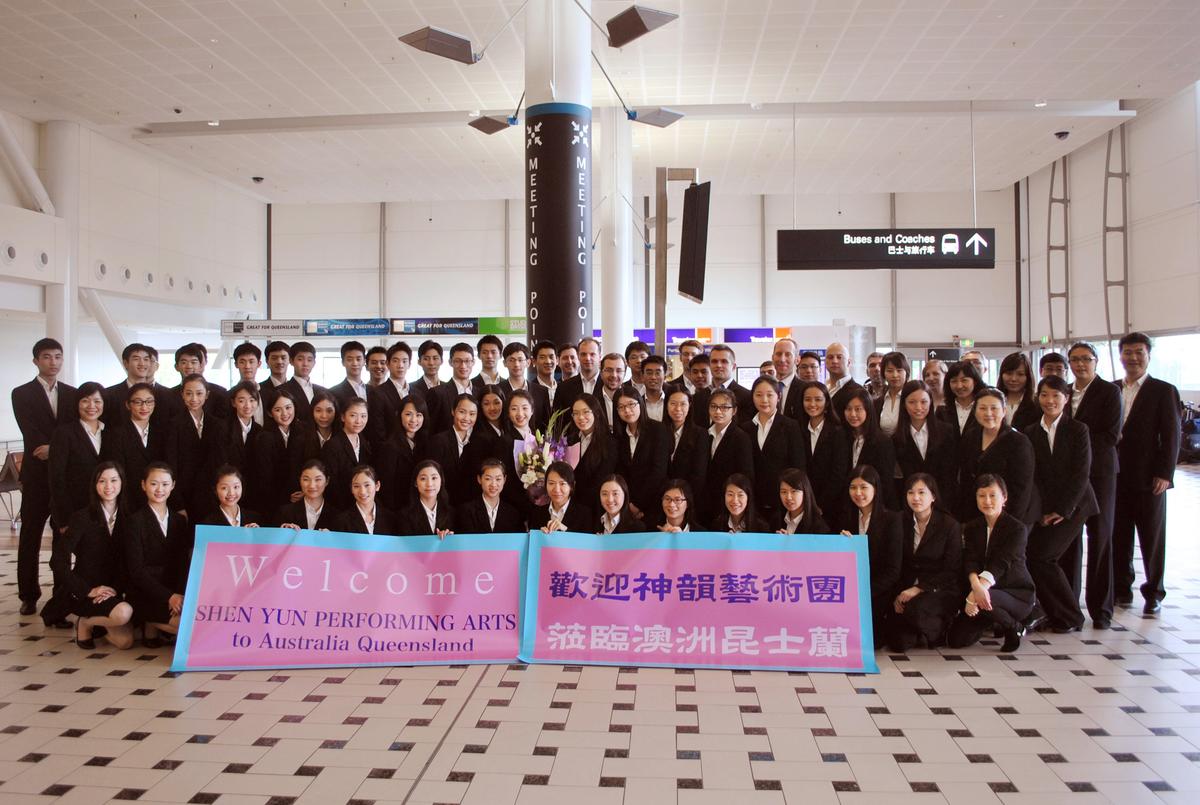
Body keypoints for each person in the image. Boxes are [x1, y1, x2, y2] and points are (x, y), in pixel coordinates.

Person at [1113, 332, 1180, 616]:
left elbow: (1172, 435)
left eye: (1138, 352)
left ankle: (1154, 591)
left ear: (1148, 355)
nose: (1133, 357)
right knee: (1119, 536)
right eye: (1128, 352)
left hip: (1149, 478)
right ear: (1120, 356)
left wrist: (1165, 473)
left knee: (1152, 537)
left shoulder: (1163, 390)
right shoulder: (1112, 388)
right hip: (1116, 477)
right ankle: (1121, 589)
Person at [1025, 375, 1097, 633]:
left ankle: (1070, 615)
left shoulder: (1078, 430)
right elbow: (1035, 477)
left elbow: (1081, 474)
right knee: (1036, 555)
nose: (1050, 400)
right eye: (1044, 394)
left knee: (1043, 557)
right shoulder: (1031, 432)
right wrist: (1043, 511)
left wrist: (1061, 511)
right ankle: (1053, 612)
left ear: (1066, 399)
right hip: (1047, 508)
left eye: (1056, 395)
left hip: (1075, 506)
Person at [12, 338, 78, 616]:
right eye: (47, 357)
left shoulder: (74, 394)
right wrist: (51, 447)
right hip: (37, 474)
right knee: (31, 533)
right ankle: (28, 594)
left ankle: (61, 595)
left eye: (58, 357)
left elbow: (74, 428)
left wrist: (57, 449)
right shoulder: (21, 393)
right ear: (36, 361)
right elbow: (29, 429)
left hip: (64, 475)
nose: (53, 362)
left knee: (63, 536)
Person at [1066, 341, 1121, 628]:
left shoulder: (1109, 392)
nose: (1080, 364)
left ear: (1096, 361)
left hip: (1099, 476)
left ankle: (1101, 609)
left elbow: (1110, 436)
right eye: (1074, 360)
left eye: (1085, 359)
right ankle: (1067, 606)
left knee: (1100, 539)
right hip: (1069, 479)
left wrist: (1076, 455)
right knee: (1068, 542)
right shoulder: (1064, 392)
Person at [947, 475, 1036, 653]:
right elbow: (970, 560)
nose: (987, 501)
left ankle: (1014, 626)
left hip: (1016, 593)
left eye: (992, 495)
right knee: (956, 640)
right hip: (983, 591)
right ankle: (992, 619)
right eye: (981, 495)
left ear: (1004, 498)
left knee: (983, 599)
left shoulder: (1017, 529)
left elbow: (1001, 564)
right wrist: (975, 587)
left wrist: (976, 594)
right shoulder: (972, 527)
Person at [57, 462, 135, 650]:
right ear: (94, 485)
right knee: (123, 613)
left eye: (114, 480)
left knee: (126, 642)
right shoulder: (81, 518)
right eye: (102, 481)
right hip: (89, 591)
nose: (109, 487)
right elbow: (58, 561)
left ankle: (99, 625)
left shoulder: (130, 517)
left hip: (116, 591)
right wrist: (86, 590)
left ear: (122, 483)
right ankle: (85, 622)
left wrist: (117, 589)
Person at [885, 474, 962, 652]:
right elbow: (895, 562)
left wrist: (918, 589)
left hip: (939, 589)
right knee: (898, 644)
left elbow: (952, 571)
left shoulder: (949, 525)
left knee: (914, 610)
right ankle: (919, 630)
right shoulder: (899, 521)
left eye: (921, 492)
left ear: (933, 496)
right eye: (910, 492)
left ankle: (940, 628)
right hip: (906, 588)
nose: (916, 497)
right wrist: (898, 593)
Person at [123, 463, 191, 648]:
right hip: (145, 592)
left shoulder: (179, 521)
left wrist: (179, 594)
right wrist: (168, 596)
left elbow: (182, 563)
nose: (160, 489)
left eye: (165, 484)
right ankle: (148, 622)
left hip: (173, 592)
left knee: (199, 621)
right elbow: (136, 571)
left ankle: (153, 626)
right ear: (143, 485)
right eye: (154, 484)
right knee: (189, 627)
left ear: (173, 485)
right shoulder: (134, 522)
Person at [839, 465, 902, 649]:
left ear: (875, 488)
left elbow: (893, 571)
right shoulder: (844, 517)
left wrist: (864, 592)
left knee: (871, 641)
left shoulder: (892, 520)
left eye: (863, 487)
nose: (858, 493)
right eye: (853, 487)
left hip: (878, 590)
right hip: (849, 588)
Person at [956, 389, 1037, 527]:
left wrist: (1009, 523)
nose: (988, 413)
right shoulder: (970, 437)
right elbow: (965, 480)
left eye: (994, 408)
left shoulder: (1019, 442)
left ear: (1004, 411)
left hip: (1012, 514)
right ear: (975, 411)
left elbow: (1022, 489)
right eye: (982, 408)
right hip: (980, 511)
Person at [165, 374, 229, 520]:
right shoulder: (173, 425)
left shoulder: (217, 424)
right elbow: (171, 464)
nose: (194, 398)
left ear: (207, 395)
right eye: (188, 393)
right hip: (184, 494)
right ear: (182, 395)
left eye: (199, 393)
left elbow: (221, 462)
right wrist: (177, 503)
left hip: (212, 495)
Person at [743, 376, 806, 520]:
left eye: (769, 395)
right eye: (758, 395)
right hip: (753, 502)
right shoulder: (745, 428)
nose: (764, 400)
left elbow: (798, 466)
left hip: (783, 502)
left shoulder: (791, 426)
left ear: (779, 397)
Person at [893, 380, 957, 513]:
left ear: (931, 402)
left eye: (923, 402)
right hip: (912, 505)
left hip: (943, 503)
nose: (918, 407)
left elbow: (950, 474)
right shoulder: (896, 439)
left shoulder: (946, 431)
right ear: (904, 404)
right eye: (912, 402)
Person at [102, 382, 166, 509]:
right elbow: (117, 472)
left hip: (157, 498)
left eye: (149, 402)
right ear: (128, 405)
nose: (144, 407)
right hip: (127, 501)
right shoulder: (116, 434)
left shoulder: (161, 433)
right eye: (138, 402)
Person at [612, 387, 669, 519]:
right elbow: (620, 473)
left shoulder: (658, 430)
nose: (627, 410)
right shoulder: (619, 436)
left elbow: (658, 472)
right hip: (626, 506)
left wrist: (638, 505)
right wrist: (627, 504)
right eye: (621, 407)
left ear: (640, 403)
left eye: (631, 404)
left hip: (654, 503)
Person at [799, 381, 849, 526]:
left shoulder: (838, 432)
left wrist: (820, 504)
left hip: (831, 504)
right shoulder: (799, 429)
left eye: (818, 399)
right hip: (803, 502)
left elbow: (838, 473)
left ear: (827, 402)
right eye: (807, 399)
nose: (812, 404)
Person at [700, 388, 754, 523]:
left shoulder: (741, 437)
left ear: (734, 410)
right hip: (705, 501)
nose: (718, 411)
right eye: (714, 407)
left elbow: (745, 474)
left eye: (724, 407)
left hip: (729, 504)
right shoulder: (704, 434)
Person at [840, 387, 897, 511]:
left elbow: (885, 482)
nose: (853, 414)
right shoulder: (842, 439)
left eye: (858, 409)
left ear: (868, 410)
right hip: (846, 506)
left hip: (875, 507)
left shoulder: (882, 442)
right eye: (848, 409)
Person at [255, 391, 311, 513]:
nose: (285, 413)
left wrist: (305, 491)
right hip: (274, 500)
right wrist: (286, 497)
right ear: (270, 413)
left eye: (288, 407)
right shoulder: (264, 437)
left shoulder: (305, 431)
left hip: (305, 494)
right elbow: (265, 477)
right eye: (278, 410)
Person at [376, 395, 428, 515]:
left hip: (420, 510)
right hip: (398, 511)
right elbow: (387, 489)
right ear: (399, 415)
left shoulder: (426, 443)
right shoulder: (389, 447)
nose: (413, 420)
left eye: (419, 415)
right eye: (408, 414)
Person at [102, 343, 172, 427]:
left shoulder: (165, 395)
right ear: (125, 363)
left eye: (146, 359)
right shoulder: (109, 394)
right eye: (136, 359)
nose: (142, 363)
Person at [425, 394, 478, 505]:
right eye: (462, 412)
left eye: (472, 414)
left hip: (470, 505)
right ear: (453, 411)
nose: (466, 418)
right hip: (443, 504)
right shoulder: (438, 441)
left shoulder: (479, 442)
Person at [321, 397, 372, 511]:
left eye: (363, 416)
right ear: (343, 417)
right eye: (353, 415)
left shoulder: (366, 443)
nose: (359, 421)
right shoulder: (332, 445)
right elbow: (332, 484)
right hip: (340, 506)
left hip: (362, 503)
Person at [567, 394, 616, 511]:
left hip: (595, 507)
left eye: (586, 412)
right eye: (576, 413)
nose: (581, 417)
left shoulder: (609, 442)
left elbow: (603, 479)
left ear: (596, 413)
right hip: (570, 505)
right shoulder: (570, 439)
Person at [456, 458, 524, 533]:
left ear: (504, 480)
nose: (493, 484)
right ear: (479, 479)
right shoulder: (466, 511)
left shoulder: (513, 514)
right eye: (488, 479)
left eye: (498, 479)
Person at [664, 388, 708, 505]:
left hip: (688, 500)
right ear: (666, 405)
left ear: (690, 406)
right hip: (662, 498)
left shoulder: (700, 434)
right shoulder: (659, 431)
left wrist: (684, 501)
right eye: (673, 403)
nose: (678, 409)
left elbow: (699, 475)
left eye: (683, 404)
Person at [223, 381, 263, 507]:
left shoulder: (260, 431)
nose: (247, 405)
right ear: (233, 403)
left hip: (253, 493)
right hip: (228, 492)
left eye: (252, 400)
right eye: (241, 401)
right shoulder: (222, 428)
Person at [336, 464, 401, 536]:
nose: (362, 492)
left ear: (377, 486)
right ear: (351, 489)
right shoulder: (342, 521)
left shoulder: (391, 519)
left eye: (367, 485)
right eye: (356, 486)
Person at [171, 343, 229, 422]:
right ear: (176, 367)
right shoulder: (168, 396)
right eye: (184, 362)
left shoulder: (220, 393)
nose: (189, 366)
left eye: (193, 362)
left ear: (201, 365)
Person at [500, 343, 551, 432]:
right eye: (511, 360)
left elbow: (546, 423)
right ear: (505, 363)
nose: (516, 364)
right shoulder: (498, 391)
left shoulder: (541, 391)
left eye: (520, 360)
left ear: (528, 363)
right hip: (506, 443)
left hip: (536, 443)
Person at [529, 461, 593, 532]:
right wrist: (539, 535)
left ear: (572, 486)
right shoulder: (537, 513)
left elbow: (586, 541)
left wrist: (565, 529)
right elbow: (533, 541)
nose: (556, 489)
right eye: (551, 483)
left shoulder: (584, 514)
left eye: (562, 483)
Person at [277, 459, 340, 530]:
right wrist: (284, 532)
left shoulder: (337, 516)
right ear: (300, 480)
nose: (312, 485)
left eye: (318, 479)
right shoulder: (285, 512)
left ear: (327, 481)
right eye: (306, 479)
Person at [429, 343, 479, 433]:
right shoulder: (437, 393)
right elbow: (431, 429)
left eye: (467, 361)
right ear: (450, 362)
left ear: (473, 362)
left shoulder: (479, 393)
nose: (463, 366)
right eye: (458, 361)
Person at [372, 341, 414, 442]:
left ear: (409, 364)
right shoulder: (377, 393)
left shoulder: (417, 392)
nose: (400, 365)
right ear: (388, 364)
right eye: (395, 361)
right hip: (390, 451)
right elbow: (378, 431)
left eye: (404, 361)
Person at [938, 360, 984, 441]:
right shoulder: (942, 411)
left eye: (964, 380)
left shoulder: (984, 408)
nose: (959, 386)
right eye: (954, 381)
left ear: (975, 381)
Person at [554, 337, 601, 413]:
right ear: (578, 357)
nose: (588, 358)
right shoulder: (563, 388)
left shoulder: (608, 384)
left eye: (592, 354)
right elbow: (557, 421)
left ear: (599, 357)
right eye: (583, 354)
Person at [708, 344, 753, 424]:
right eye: (714, 361)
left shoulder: (747, 397)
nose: (718, 365)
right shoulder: (699, 397)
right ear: (709, 365)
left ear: (733, 367)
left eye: (724, 361)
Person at [774, 468, 828, 534]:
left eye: (794, 491)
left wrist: (792, 542)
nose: (788, 497)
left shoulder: (818, 526)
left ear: (805, 492)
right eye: (784, 492)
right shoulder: (776, 520)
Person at [282, 341, 324, 425]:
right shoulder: (282, 390)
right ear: (291, 361)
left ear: (314, 363)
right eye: (300, 359)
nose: (305, 364)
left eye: (309, 360)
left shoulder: (323, 391)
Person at [999, 352, 1040, 432]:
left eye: (1020, 374)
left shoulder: (1036, 404)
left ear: (1028, 377)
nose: (1014, 379)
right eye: (1009, 373)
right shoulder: (994, 401)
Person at [328, 340, 370, 410]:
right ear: (343, 362)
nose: (355, 363)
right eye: (350, 359)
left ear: (364, 361)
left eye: (358, 359)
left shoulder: (373, 391)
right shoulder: (333, 392)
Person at [875, 351, 909, 436]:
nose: (895, 375)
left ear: (906, 372)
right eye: (890, 371)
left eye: (899, 370)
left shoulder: (912, 398)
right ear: (883, 373)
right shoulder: (878, 402)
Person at [825, 342, 861, 416]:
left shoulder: (858, 392)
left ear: (848, 362)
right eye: (830, 357)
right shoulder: (824, 388)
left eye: (839, 357)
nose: (834, 361)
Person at [771, 337, 803, 420]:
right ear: (772, 358)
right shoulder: (766, 387)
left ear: (797, 360)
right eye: (778, 354)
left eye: (788, 354)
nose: (782, 359)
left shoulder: (804, 389)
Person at [596, 353, 627, 432]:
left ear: (625, 373)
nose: (614, 375)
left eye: (619, 371)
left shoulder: (633, 399)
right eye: (609, 370)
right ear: (601, 373)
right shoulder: (592, 400)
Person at [259, 340, 291, 417]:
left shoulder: (296, 388)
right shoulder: (259, 390)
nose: (279, 362)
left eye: (283, 358)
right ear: (267, 361)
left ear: (289, 360)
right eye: (274, 358)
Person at [640, 355, 670, 422]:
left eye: (657, 373)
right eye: (649, 373)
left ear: (665, 377)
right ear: (642, 377)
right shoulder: (637, 403)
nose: (653, 377)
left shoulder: (671, 401)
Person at [533, 340, 559, 407]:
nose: (548, 361)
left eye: (551, 357)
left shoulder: (563, 388)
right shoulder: (530, 390)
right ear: (534, 361)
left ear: (557, 360)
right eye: (542, 357)